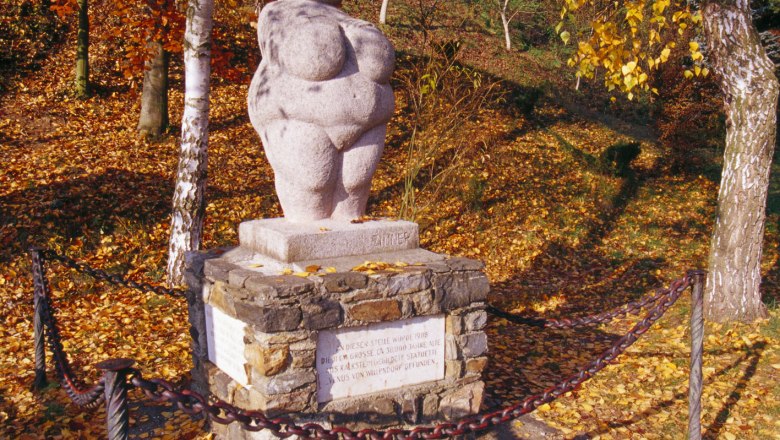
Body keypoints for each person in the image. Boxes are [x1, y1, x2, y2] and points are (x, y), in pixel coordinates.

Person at [248, 0, 395, 223]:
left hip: (369, 125)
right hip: (298, 118)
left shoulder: (347, 19)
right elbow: (303, 56)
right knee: (313, 185)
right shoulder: (276, 13)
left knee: (355, 187)